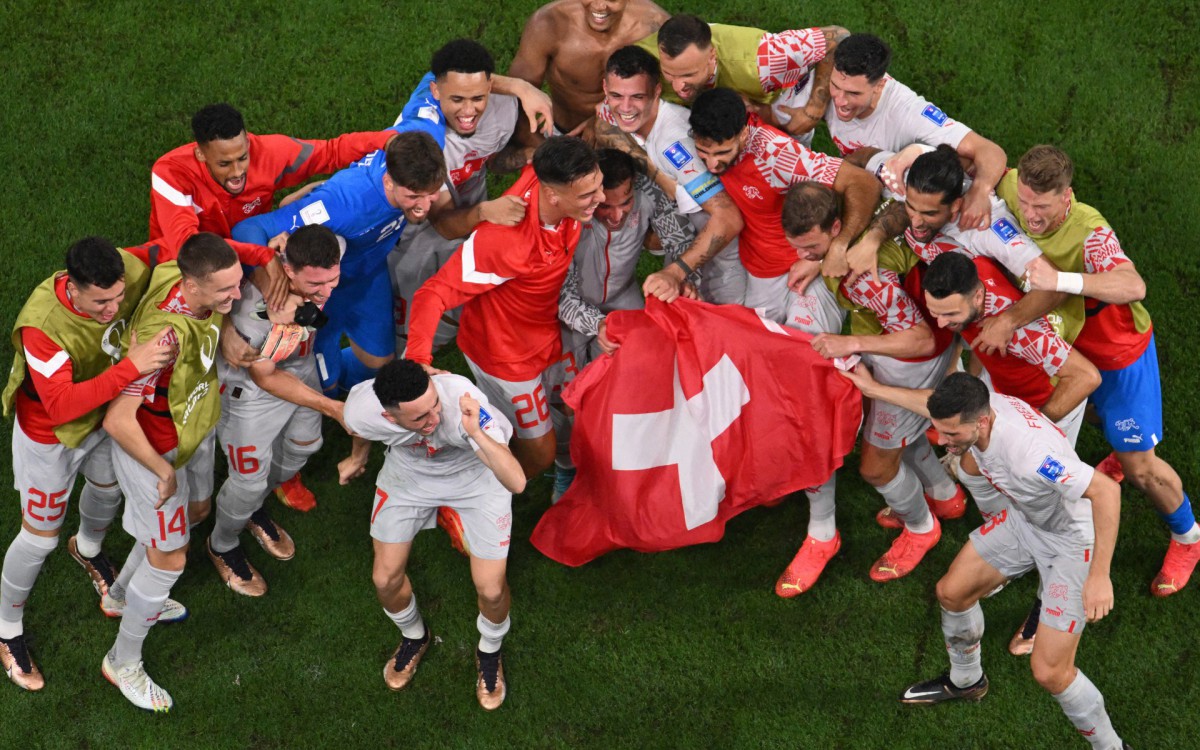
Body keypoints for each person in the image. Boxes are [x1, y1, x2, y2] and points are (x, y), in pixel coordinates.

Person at [843, 370, 1125, 750]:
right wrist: (874, 389)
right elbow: (928, 401)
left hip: (1072, 544)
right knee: (952, 592)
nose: (942, 442)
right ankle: (966, 682)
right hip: (1026, 520)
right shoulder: (975, 408)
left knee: (1050, 672)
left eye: (951, 435)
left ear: (983, 421)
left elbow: (1105, 491)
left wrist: (1099, 577)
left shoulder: (1032, 456)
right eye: (939, 431)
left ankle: (1111, 747)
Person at [1001, 145, 1200, 598]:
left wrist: (1063, 281)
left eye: (1042, 206)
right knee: (1085, 415)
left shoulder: (1089, 230)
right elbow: (986, 160)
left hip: (1119, 359)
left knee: (1142, 469)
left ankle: (1189, 537)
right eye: (1026, 202)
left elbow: (1133, 285)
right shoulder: (1014, 186)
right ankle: (1116, 448)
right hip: (1068, 355)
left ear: (1066, 195)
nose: (1030, 214)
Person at [0, 238, 176, 692]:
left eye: (119, 297)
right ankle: (7, 631)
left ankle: (89, 550)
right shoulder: (41, 326)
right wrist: (132, 366)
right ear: (72, 289)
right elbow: (60, 407)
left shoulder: (129, 269)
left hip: (101, 416)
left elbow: (179, 250)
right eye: (101, 301)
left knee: (106, 488)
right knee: (38, 540)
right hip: (49, 435)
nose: (113, 308)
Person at [779, 183, 964, 587]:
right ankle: (946, 496)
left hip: (910, 360)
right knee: (901, 438)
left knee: (876, 468)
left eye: (811, 248)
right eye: (797, 249)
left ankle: (921, 528)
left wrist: (852, 342)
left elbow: (920, 339)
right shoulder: (853, 223)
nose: (803, 258)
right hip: (914, 341)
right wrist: (819, 258)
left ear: (836, 229)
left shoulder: (866, 279)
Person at [404, 137, 603, 480]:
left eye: (597, 187)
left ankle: (562, 470)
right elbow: (433, 294)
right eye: (587, 195)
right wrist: (418, 359)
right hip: (506, 354)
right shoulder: (504, 242)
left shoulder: (548, 171)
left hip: (545, 334)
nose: (600, 198)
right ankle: (481, 493)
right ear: (553, 195)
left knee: (573, 407)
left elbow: (536, 153)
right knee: (538, 454)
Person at [100, 233, 242, 712]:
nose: (235, 298)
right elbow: (118, 420)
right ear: (192, 286)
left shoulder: (183, 276)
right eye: (224, 293)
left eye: (236, 285)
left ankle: (121, 595)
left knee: (197, 511)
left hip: (189, 433)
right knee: (171, 557)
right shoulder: (162, 342)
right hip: (152, 452)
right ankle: (122, 662)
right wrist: (161, 470)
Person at [338, 360, 525, 710]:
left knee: (492, 587)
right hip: (410, 478)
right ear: (390, 417)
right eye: (420, 418)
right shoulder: (363, 409)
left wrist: (477, 431)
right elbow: (360, 426)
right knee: (384, 579)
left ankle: (489, 651)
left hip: (476, 479)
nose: (434, 418)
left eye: (434, 404)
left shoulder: (463, 404)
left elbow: (516, 481)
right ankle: (413, 637)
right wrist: (356, 458)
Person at [231, 131, 447, 395]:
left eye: (432, 194)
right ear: (388, 181)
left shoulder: (414, 149)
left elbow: (431, 93)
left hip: (368, 276)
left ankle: (346, 391)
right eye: (415, 197)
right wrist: (269, 272)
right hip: (323, 292)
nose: (425, 206)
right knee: (325, 383)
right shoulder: (342, 205)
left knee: (378, 363)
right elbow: (249, 228)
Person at [207, 225, 346, 595]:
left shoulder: (327, 252)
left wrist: (282, 236)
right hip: (250, 392)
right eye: (316, 286)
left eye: (332, 280)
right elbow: (267, 378)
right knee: (248, 479)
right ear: (288, 272)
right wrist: (332, 407)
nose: (327, 292)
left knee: (305, 445)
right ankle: (222, 544)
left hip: (299, 367)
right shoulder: (257, 320)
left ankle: (251, 507)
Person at [550, 148, 696, 499]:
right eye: (605, 206)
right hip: (563, 311)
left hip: (623, 298)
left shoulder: (648, 192)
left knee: (635, 382)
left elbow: (679, 241)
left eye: (625, 203)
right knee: (563, 398)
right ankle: (565, 467)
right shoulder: (566, 213)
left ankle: (625, 460)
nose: (616, 216)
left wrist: (680, 277)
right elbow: (558, 294)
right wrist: (599, 325)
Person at [391, 39, 536, 355]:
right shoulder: (421, 142)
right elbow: (442, 223)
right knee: (407, 330)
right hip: (415, 234)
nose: (469, 111)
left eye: (478, 98)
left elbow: (491, 157)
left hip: (470, 221)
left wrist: (527, 153)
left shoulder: (505, 109)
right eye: (457, 99)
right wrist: (485, 212)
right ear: (436, 92)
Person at [688, 87, 881, 323]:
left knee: (808, 350)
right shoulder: (716, 124)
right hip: (760, 268)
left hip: (805, 265)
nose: (712, 165)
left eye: (722, 153)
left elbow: (864, 183)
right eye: (703, 153)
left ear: (744, 134)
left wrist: (833, 251)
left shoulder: (776, 155)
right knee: (762, 349)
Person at [855, 145, 1070, 354]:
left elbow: (1055, 285)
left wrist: (1007, 322)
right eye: (911, 207)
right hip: (939, 298)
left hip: (988, 322)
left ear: (956, 206)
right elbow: (862, 158)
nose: (917, 222)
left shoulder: (989, 228)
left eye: (930, 213)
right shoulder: (908, 175)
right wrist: (870, 240)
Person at [594, 45, 744, 304]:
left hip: (722, 259)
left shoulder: (674, 144)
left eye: (638, 97)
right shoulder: (616, 113)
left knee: (724, 333)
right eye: (617, 95)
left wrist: (675, 272)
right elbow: (600, 120)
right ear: (605, 89)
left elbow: (728, 217)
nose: (626, 107)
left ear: (656, 91)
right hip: (687, 240)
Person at [820, 34, 1007, 233]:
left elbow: (989, 150)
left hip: (903, 211)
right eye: (836, 87)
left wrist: (980, 190)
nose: (840, 101)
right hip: (864, 181)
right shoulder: (824, 81)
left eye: (853, 94)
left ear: (880, 85)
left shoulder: (911, 113)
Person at [510, 0, 670, 134]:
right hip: (565, 131)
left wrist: (603, 121)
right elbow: (518, 95)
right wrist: (534, 144)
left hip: (631, 132)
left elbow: (674, 92)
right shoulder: (549, 24)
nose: (600, 6)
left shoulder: (655, 26)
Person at [636, 13, 848, 111]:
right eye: (670, 73)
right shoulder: (643, 61)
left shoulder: (769, 59)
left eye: (688, 74)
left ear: (712, 55)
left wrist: (814, 109)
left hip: (778, 102)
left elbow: (839, 35)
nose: (677, 86)